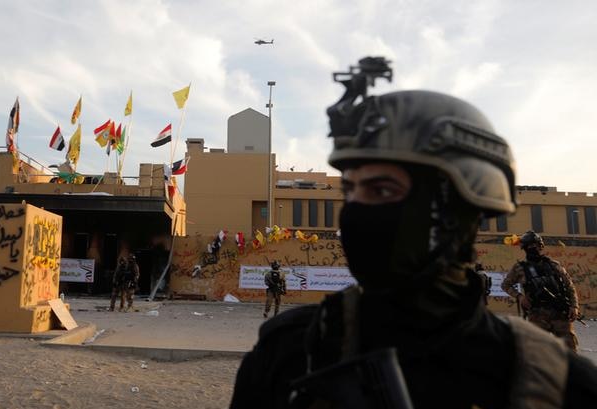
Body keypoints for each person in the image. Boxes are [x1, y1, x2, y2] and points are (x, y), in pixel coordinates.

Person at [230, 57, 597, 408]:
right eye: (350, 191)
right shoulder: (289, 354)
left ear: (458, 209)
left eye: (382, 190)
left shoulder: (551, 383)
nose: (356, 212)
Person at [502, 230, 580, 351]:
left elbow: (569, 286)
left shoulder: (554, 265)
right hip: (537, 314)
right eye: (530, 246)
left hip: (559, 313)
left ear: (541, 246)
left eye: (536, 245)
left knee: (570, 350)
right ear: (524, 248)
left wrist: (574, 306)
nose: (533, 248)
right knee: (535, 352)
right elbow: (505, 285)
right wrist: (519, 297)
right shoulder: (519, 268)